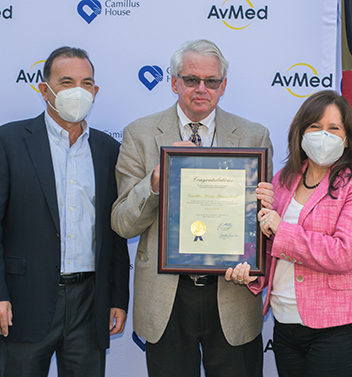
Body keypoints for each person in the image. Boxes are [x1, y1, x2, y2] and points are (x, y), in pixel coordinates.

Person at [111, 39, 273, 376]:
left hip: (232, 292)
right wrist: (154, 182)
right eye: (190, 79)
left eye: (211, 81)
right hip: (167, 296)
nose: (201, 89)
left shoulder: (253, 137)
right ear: (173, 82)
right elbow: (123, 224)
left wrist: (264, 219)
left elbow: (262, 227)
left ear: (223, 86)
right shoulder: (140, 135)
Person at [0, 46, 130, 377]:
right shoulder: (8, 141)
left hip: (89, 303)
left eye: (86, 83)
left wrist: (118, 298)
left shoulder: (108, 150)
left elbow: (113, 233)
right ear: (45, 89)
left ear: (95, 92)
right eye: (67, 81)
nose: (78, 91)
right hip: (23, 303)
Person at [227, 90, 352, 377]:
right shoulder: (283, 179)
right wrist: (251, 272)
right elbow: (269, 247)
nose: (323, 135)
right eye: (314, 127)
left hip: (342, 325)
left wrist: (281, 228)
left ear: (347, 137)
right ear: (300, 132)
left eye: (333, 128)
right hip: (286, 324)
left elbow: (344, 253)